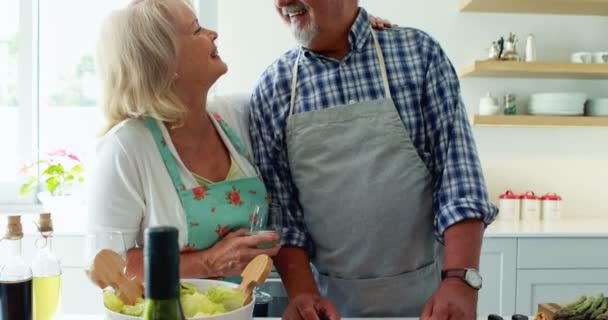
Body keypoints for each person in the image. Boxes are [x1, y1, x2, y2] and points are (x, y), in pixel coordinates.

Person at [249, 1, 499, 319]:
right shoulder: (273, 88)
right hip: (329, 309)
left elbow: (459, 181)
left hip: (432, 303)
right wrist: (303, 294)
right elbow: (284, 215)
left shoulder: (418, 55)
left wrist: (460, 281)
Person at [87, 0, 281, 280]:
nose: (212, 33)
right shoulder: (126, 147)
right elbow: (105, 269)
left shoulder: (238, 115)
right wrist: (208, 262)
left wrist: (360, 30)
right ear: (165, 61)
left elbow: (301, 96)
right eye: (196, 30)